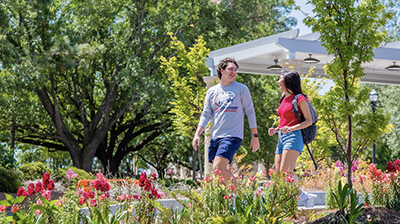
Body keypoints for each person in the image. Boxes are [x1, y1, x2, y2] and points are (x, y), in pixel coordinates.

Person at [192, 57, 260, 189]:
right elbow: (206, 114)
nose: (233, 72)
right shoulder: (212, 91)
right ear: (221, 70)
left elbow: (250, 111)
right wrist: (197, 134)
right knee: (218, 172)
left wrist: (255, 135)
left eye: (235, 69)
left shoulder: (241, 89)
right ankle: (229, 199)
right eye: (230, 69)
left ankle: (239, 198)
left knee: (219, 166)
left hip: (232, 135)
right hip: (216, 136)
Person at [268, 70, 317, 208]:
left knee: (285, 174)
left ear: (288, 81)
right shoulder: (283, 98)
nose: (278, 82)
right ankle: (305, 197)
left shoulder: (300, 98)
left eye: (280, 79)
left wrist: (291, 129)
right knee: (278, 176)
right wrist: (276, 129)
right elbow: (285, 120)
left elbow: (309, 121)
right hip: (281, 137)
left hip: (293, 137)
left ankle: (292, 202)